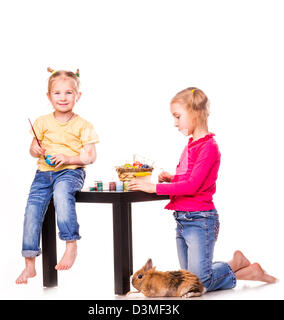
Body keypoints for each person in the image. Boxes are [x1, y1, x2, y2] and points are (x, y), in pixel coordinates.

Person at [128, 87, 276, 292]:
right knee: (187, 281)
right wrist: (173, 178)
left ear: (195, 113)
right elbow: (190, 178)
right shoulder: (191, 144)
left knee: (199, 283)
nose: (175, 123)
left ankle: (236, 265)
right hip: (182, 219)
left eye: (178, 116)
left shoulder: (209, 147)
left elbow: (193, 186)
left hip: (200, 220)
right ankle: (244, 268)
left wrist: (155, 187)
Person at [16, 67, 99, 284]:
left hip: (70, 174)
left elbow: (90, 157)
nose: (63, 97)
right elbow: (33, 148)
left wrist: (68, 158)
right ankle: (29, 264)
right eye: (57, 93)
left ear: (78, 96)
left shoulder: (83, 125)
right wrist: (36, 150)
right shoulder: (42, 122)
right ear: (48, 96)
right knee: (32, 212)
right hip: (43, 175)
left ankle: (71, 245)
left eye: (68, 93)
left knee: (62, 195)